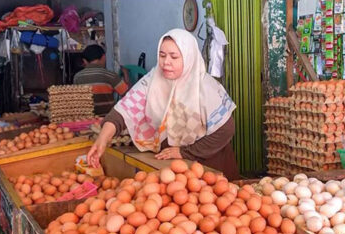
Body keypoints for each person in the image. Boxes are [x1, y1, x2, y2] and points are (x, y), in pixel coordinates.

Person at [87, 29, 239, 180]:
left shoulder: (204, 87)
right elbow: (123, 111)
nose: (166, 62)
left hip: (209, 164)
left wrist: (185, 152)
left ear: (189, 58)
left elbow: (226, 129)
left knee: (212, 201)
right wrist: (102, 139)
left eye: (174, 57)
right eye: (162, 55)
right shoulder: (153, 80)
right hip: (174, 167)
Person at [73, 44, 129, 116]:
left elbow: (77, 100)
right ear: (103, 57)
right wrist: (126, 75)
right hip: (107, 119)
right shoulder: (110, 75)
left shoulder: (77, 77)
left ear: (84, 61)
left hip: (85, 119)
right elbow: (127, 95)